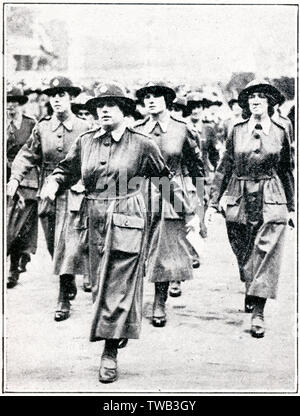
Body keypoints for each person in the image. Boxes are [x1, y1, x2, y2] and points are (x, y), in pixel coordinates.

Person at [39, 82, 191, 383]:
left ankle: (109, 352)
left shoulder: (142, 142)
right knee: (99, 288)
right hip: (92, 220)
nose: (104, 110)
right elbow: (66, 169)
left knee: (117, 289)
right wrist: (54, 182)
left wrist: (188, 213)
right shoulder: (85, 141)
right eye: (99, 106)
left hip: (127, 219)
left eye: (111, 105)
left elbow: (163, 179)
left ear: (124, 110)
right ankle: (115, 329)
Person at [206, 80, 294, 338]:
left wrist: (291, 207)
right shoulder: (236, 129)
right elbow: (224, 167)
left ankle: (258, 311)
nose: (255, 101)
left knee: (266, 250)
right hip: (239, 192)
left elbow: (286, 169)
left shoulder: (281, 129)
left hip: (271, 193)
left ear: (270, 102)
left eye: (261, 97)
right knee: (243, 250)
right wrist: (213, 202)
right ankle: (250, 283)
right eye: (251, 97)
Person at [7, 76, 90, 320]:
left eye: (62, 95)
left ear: (71, 98)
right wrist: (15, 178)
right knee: (55, 245)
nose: (57, 100)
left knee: (68, 242)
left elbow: (94, 157)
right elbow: (27, 155)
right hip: (47, 193)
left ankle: (63, 295)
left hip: (75, 191)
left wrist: (86, 182)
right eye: (53, 95)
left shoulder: (85, 127)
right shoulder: (42, 127)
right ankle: (69, 279)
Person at [135, 82, 204, 322]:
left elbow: (197, 168)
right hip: (141, 192)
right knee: (137, 248)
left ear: (167, 100)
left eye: (157, 96)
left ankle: (158, 303)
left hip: (170, 193)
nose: (151, 101)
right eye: (147, 97)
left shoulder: (182, 129)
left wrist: (198, 204)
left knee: (165, 251)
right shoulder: (136, 129)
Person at [6, 87, 39, 288]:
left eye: (15, 101)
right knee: (9, 227)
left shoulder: (31, 123)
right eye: (8, 100)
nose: (11, 105)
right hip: (6, 177)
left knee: (23, 227)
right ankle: (15, 263)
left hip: (28, 180)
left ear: (21, 103)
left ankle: (16, 265)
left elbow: (36, 152)